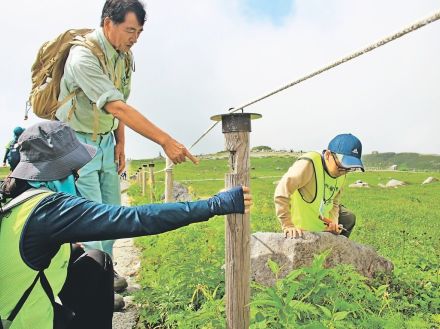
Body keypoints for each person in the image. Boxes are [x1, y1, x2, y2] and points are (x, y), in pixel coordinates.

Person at [0, 121, 252, 329]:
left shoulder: (18, 199)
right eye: (74, 171)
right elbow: (135, 219)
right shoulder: (49, 208)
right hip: (23, 322)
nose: (77, 178)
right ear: (56, 172)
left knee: (94, 260)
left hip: (16, 311)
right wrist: (213, 205)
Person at [54, 0, 198, 286]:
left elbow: (120, 101)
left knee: (113, 211)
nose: (135, 38)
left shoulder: (123, 55)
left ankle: (105, 270)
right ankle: (92, 282)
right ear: (109, 23)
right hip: (78, 145)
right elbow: (116, 106)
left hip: (106, 142)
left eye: (140, 32)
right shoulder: (82, 58)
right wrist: (165, 141)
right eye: (130, 30)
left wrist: (120, 143)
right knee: (93, 215)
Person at [274, 133, 364, 239]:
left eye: (349, 168)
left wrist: (333, 223)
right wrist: (288, 225)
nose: (344, 172)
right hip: (301, 227)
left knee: (348, 218)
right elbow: (282, 191)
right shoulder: (309, 163)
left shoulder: (342, 173)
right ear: (328, 155)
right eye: (341, 166)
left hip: (322, 224)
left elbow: (335, 201)